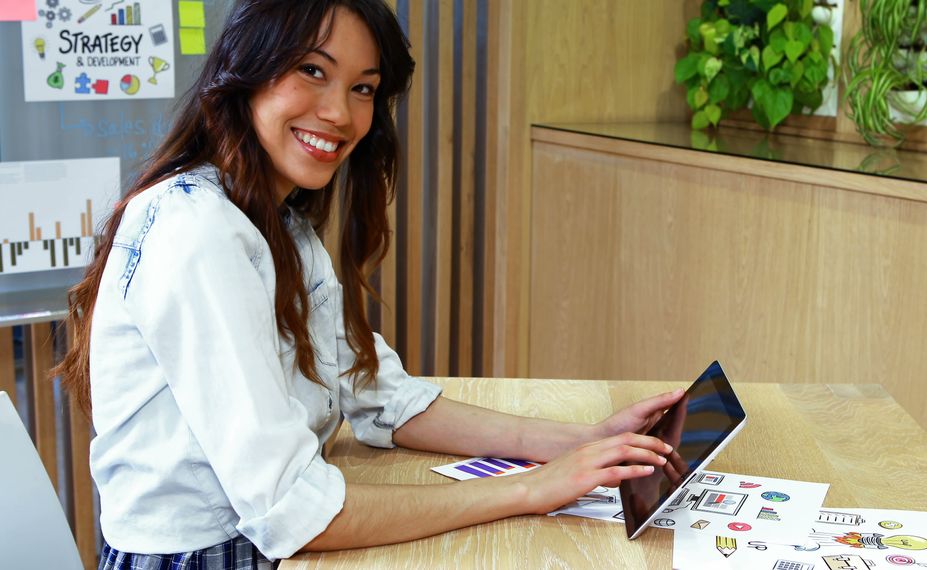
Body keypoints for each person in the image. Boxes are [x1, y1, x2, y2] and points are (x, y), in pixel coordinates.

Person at [55, 1, 683, 567]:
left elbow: (381, 396)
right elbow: (294, 511)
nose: (339, 113)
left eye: (363, 88)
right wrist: (528, 489)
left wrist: (583, 441)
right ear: (246, 71)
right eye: (312, 71)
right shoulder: (196, 229)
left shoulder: (279, 221)